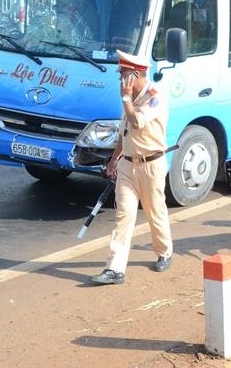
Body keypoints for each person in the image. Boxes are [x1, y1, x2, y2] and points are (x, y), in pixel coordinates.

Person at [89, 50, 173, 285]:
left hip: (151, 164)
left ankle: (164, 251)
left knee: (154, 211)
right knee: (123, 216)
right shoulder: (129, 101)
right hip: (128, 164)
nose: (120, 80)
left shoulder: (155, 97)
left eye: (123, 74)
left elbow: (137, 121)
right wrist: (114, 159)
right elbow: (124, 133)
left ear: (135, 75)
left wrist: (126, 98)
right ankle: (114, 269)